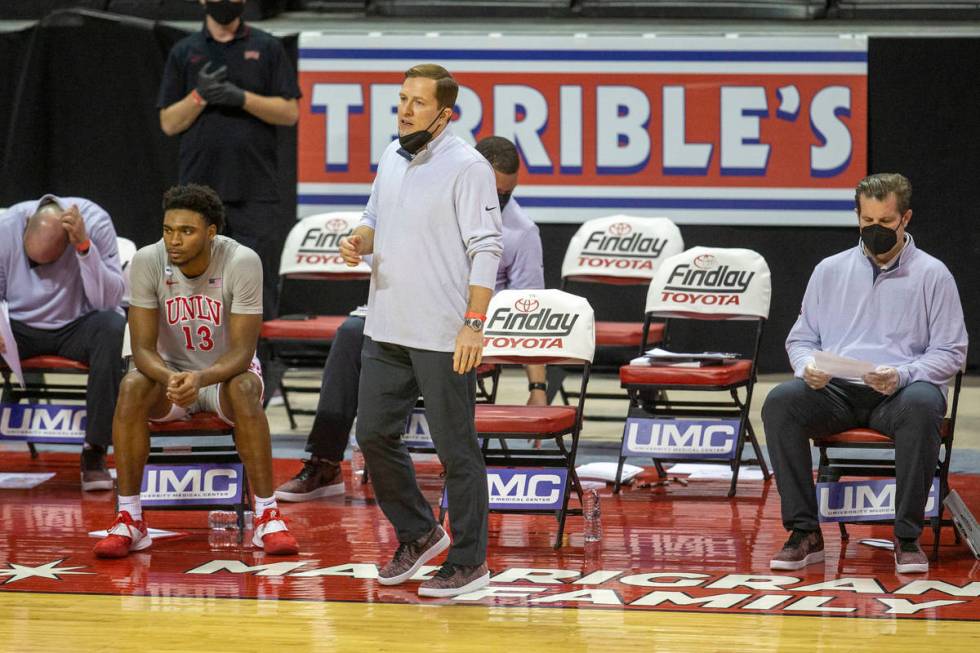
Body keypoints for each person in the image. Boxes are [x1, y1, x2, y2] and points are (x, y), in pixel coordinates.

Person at [274, 136, 546, 503]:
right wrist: (360, 245)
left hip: (468, 324)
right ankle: (324, 462)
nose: (499, 202)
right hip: (406, 311)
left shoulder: (522, 232)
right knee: (351, 333)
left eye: (506, 195)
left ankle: (458, 476)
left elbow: (530, 308)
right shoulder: (428, 208)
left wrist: (537, 389)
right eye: (494, 192)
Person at [339, 64, 501, 598]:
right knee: (373, 435)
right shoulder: (390, 154)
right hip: (385, 323)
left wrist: (474, 324)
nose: (405, 109)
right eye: (402, 99)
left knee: (457, 450)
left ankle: (469, 561)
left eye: (417, 102)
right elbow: (373, 215)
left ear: (445, 113)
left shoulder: (468, 167)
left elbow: (486, 249)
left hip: (442, 331)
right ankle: (419, 532)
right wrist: (360, 239)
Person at [762, 173, 967, 575]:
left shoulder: (933, 275)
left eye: (885, 223)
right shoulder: (829, 270)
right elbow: (799, 339)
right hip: (835, 391)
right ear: (857, 217)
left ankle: (906, 537)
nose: (875, 231)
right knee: (780, 402)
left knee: (925, 404)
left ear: (905, 218)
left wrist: (905, 374)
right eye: (866, 221)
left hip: (899, 393)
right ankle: (805, 532)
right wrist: (808, 368)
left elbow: (952, 352)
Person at [93, 184, 298, 558]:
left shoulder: (242, 261)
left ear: (211, 233)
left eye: (186, 231)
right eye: (168, 229)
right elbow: (140, 348)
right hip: (168, 379)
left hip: (222, 379)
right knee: (132, 385)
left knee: (245, 388)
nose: (174, 239)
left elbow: (243, 351)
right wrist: (171, 378)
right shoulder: (146, 261)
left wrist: (201, 379)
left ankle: (267, 516)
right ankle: (130, 518)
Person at [157, 0, 300, 320]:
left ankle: (262, 365)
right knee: (193, 282)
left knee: (256, 282)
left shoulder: (267, 47)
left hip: (255, 190)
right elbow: (169, 122)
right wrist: (200, 95)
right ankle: (196, 360)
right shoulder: (184, 51)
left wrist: (241, 98)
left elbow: (290, 112)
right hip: (198, 192)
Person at [0, 196, 126, 491]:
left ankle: (94, 451)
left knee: (112, 327)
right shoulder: (6, 226)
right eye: (33, 262)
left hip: (77, 324)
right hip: (18, 327)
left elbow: (108, 301)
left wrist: (84, 249)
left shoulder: (96, 222)